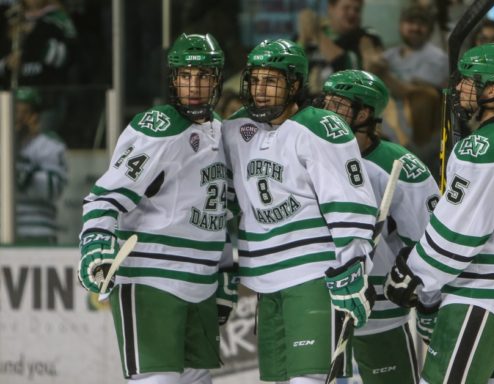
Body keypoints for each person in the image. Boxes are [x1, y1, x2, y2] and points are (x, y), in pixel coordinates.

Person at [384, 43, 494, 384]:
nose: (459, 88)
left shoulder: (481, 150)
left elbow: (459, 233)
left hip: (485, 296)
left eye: (469, 81)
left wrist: (416, 272)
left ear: (492, 90)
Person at [77, 33, 235, 384]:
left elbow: (222, 213)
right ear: (172, 79)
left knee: (198, 380)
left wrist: (224, 274)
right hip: (153, 278)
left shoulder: (221, 132)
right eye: (184, 75)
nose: (193, 85)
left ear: (217, 79)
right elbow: (106, 197)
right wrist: (94, 244)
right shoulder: (159, 129)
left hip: (201, 284)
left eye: (203, 75)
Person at [222, 39, 377, 383]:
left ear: (294, 85)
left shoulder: (320, 127)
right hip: (263, 281)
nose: (260, 91)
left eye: (271, 81)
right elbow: (222, 197)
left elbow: (350, 203)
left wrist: (352, 263)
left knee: (310, 379)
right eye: (255, 80)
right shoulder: (234, 129)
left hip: (314, 276)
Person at [318, 69, 440, 384]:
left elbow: (430, 240)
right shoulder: (309, 154)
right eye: (327, 103)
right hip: (318, 300)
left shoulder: (401, 166)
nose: (329, 114)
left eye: (340, 106)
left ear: (366, 113)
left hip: (380, 308)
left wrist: (430, 302)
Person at [369, 4, 448, 177]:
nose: (415, 28)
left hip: (418, 148)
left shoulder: (437, 58)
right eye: (410, 22)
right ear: (401, 25)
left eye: (421, 23)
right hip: (383, 139)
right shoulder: (391, 55)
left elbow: (411, 93)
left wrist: (382, 72)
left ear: (429, 30)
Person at [296, 0, 384, 99]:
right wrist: (303, 39)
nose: (352, 13)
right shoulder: (309, 36)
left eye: (357, 9)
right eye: (346, 8)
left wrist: (317, 33)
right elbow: (290, 66)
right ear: (330, 8)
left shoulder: (366, 37)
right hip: (305, 106)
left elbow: (348, 68)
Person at [14, 86, 67, 244]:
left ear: (34, 116)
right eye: (15, 111)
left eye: (24, 112)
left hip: (39, 231)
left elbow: (53, 189)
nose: (18, 117)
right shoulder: (3, 144)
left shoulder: (49, 144)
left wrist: (23, 171)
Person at [0, 0, 77, 88]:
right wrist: (7, 64)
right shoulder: (9, 17)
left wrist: (35, 36)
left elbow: (71, 58)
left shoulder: (58, 19)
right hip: (12, 91)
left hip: (48, 89)